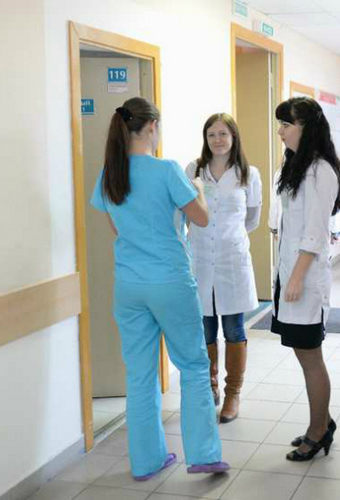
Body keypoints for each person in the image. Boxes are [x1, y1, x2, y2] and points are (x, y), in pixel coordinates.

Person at [89, 97, 229, 481]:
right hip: (170, 282)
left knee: (139, 374)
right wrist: (199, 189)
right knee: (194, 366)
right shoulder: (167, 170)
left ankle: (147, 461)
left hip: (129, 286)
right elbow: (201, 218)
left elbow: (118, 229)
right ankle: (203, 454)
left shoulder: (110, 174)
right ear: (152, 127)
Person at [271, 97, 340, 461]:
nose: (280, 132)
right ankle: (322, 421)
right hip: (290, 273)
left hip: (305, 278)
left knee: (311, 357)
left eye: (286, 125)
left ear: (307, 127)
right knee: (304, 354)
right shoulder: (295, 165)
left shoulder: (321, 170)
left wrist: (297, 278)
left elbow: (315, 231)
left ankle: (319, 432)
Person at [185, 113, 262, 424]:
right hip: (201, 259)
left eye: (223, 134)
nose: (217, 140)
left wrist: (229, 237)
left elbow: (253, 218)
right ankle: (210, 386)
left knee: (233, 328)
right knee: (204, 328)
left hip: (232, 260)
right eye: (211, 134)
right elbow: (187, 212)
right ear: (205, 139)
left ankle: (233, 393)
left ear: (234, 137)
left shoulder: (248, 174)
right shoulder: (193, 170)